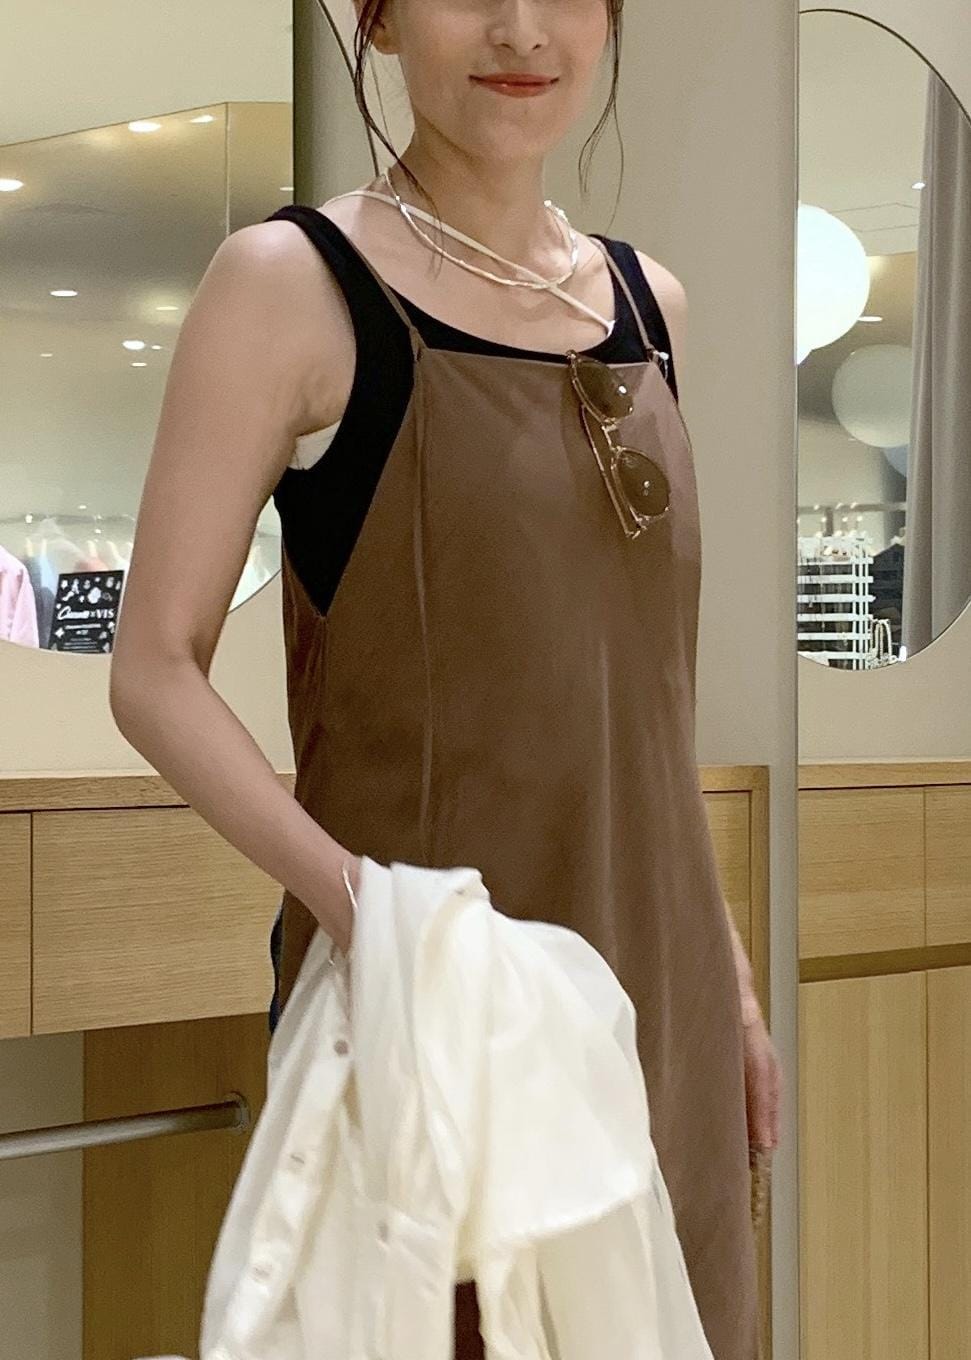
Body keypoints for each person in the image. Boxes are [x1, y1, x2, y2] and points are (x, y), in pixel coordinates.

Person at [109, 2, 782, 1358]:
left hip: (660, 1003)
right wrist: (366, 913)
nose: (521, 29)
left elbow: (646, 704)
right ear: (378, 17)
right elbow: (155, 671)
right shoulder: (290, 286)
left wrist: (732, 985)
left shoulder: (653, 307)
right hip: (441, 1018)